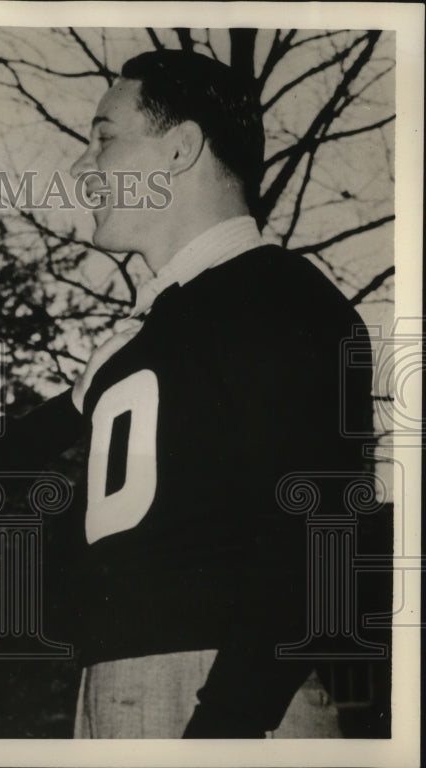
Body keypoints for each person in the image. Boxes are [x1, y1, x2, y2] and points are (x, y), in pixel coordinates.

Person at [56, 49, 375, 738]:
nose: (82, 170)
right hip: (108, 691)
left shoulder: (280, 298)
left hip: (217, 699)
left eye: (104, 138)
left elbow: (316, 537)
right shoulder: (140, 341)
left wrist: (224, 728)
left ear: (179, 149)